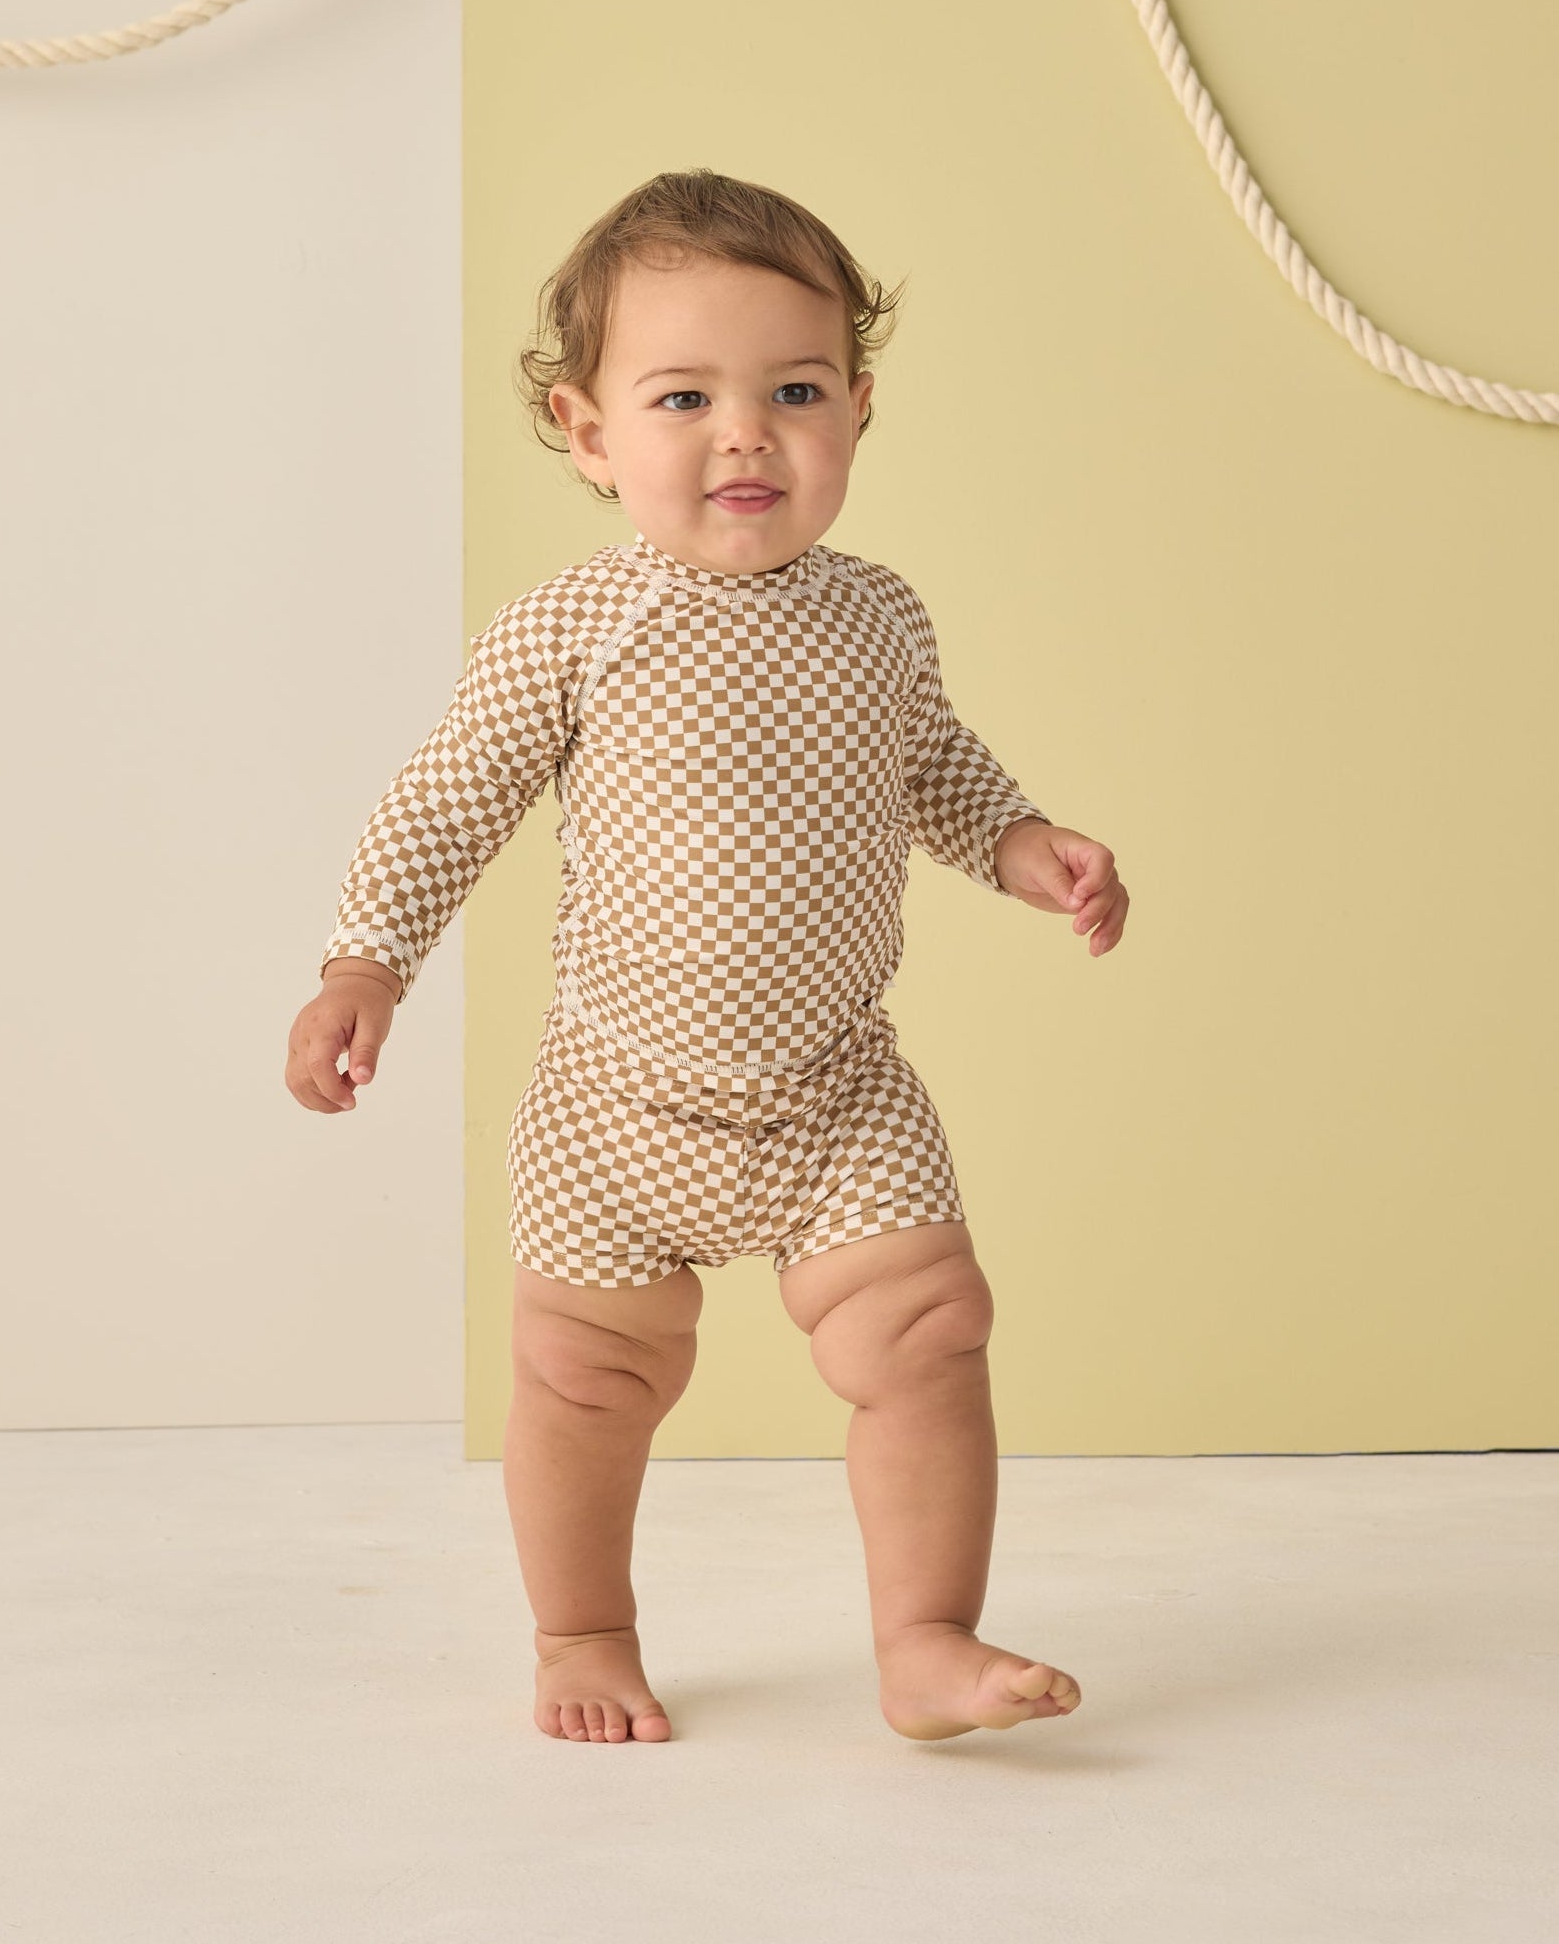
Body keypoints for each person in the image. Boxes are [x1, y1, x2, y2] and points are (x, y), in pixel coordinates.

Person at [285, 169, 1129, 1746]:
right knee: (582, 1380)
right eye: (683, 398)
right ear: (589, 431)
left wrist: (1022, 842)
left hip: (835, 1092)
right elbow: (446, 799)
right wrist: (365, 966)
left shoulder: (876, 617)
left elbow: (930, 766)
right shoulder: (571, 627)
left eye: (793, 391)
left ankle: (926, 1640)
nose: (745, 435)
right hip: (613, 1108)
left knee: (930, 1335)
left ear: (856, 410)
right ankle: (583, 1633)